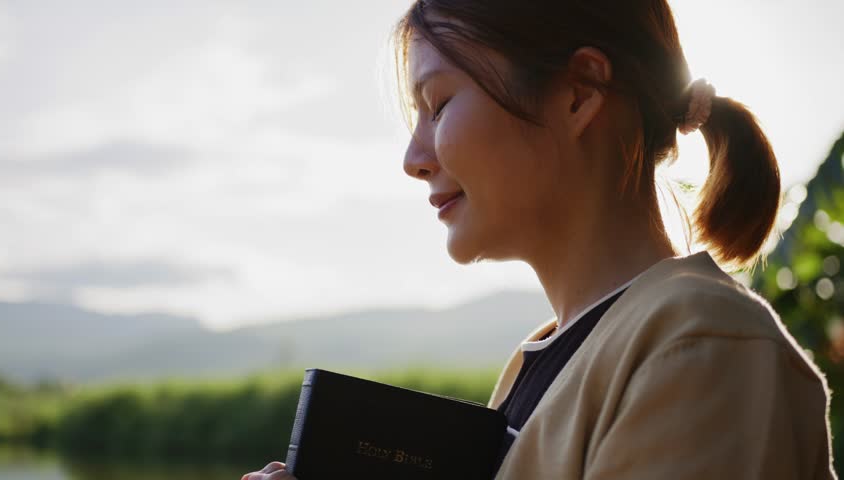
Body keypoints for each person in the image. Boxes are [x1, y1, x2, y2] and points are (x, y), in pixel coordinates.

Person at [241, 0, 837, 478]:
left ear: (579, 94)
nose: (413, 159)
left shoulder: (702, 344)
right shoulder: (549, 355)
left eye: (440, 104)